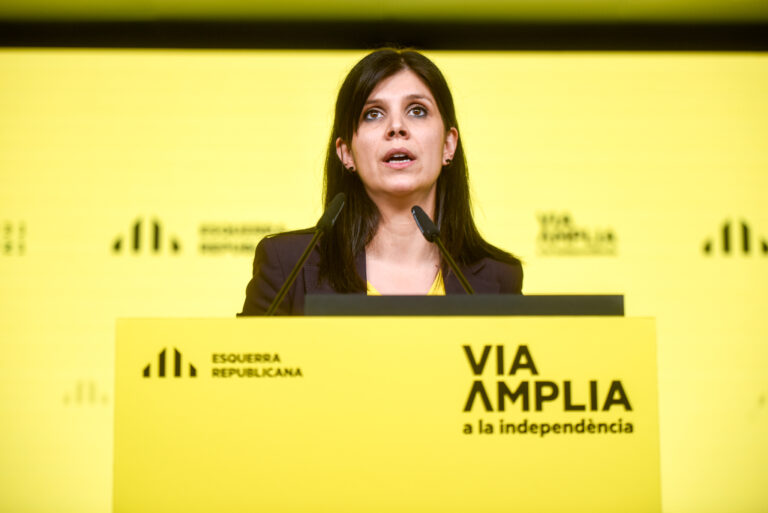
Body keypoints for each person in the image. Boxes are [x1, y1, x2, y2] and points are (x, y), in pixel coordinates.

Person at [239, 48, 522, 315]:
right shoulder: (288, 267)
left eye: (417, 110)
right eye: (373, 114)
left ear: (449, 145)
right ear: (346, 152)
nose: (396, 127)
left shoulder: (499, 278)